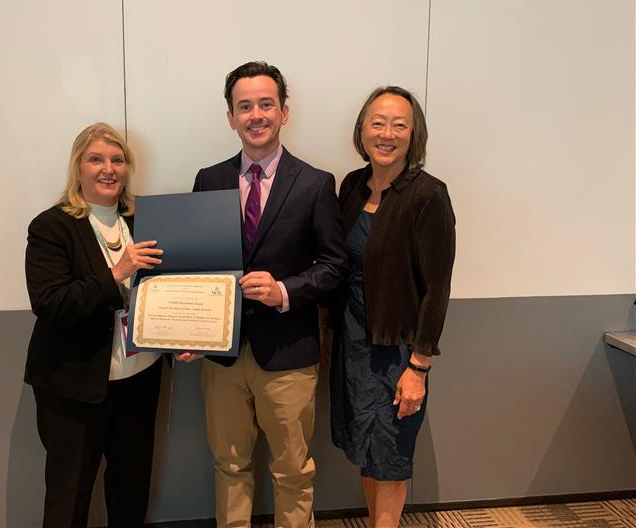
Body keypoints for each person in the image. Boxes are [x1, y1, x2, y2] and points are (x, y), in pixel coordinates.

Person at [178, 61, 348, 527]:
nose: (256, 115)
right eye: (244, 106)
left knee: (293, 470)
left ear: (284, 113)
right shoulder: (208, 180)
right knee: (229, 466)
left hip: (289, 355)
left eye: (266, 104)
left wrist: (284, 291)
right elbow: (196, 267)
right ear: (230, 117)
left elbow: (336, 267)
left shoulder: (315, 183)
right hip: (223, 357)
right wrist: (189, 328)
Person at [326, 86, 455, 527]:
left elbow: (437, 289)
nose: (387, 133)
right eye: (377, 122)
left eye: (399, 125)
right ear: (361, 129)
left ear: (413, 133)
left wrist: (419, 367)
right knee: (366, 450)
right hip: (351, 342)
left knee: (391, 456)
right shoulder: (351, 186)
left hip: (396, 350)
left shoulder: (427, 194)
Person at [24, 123, 164, 528]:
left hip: (139, 382)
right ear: (78, 169)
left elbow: (168, 295)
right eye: (96, 159)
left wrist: (182, 339)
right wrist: (116, 273)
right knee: (68, 501)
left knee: (131, 494)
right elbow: (50, 303)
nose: (109, 169)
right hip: (74, 388)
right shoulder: (52, 226)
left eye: (118, 160)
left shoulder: (145, 220)